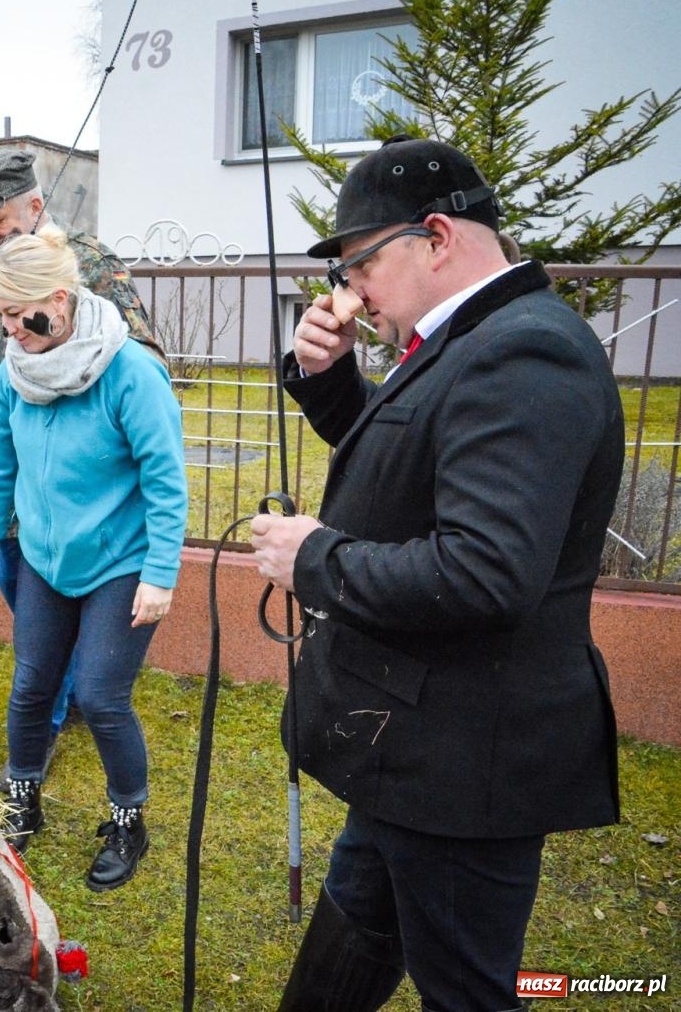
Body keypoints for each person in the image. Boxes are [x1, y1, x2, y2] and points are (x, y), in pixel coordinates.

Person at [250, 136, 623, 1012]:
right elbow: (407, 477)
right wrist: (328, 378)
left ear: (438, 237)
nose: (348, 292)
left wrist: (314, 559)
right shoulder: (467, 337)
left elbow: (487, 571)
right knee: (353, 927)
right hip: (410, 744)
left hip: (467, 761)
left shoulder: (526, 352)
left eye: (359, 264)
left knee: (465, 988)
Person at [0, 226, 185, 891]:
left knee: (99, 695)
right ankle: (22, 794)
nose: (7, 331)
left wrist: (161, 574)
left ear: (58, 301)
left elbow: (167, 481)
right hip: (43, 557)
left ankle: (127, 819)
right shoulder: (17, 368)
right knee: (33, 683)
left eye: (14, 315)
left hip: (120, 561)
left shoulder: (130, 372)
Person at [0, 150, 165, 755]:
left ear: (35, 206)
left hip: (87, 493)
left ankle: (61, 716)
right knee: (30, 619)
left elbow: (140, 359)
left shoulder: (92, 264)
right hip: (17, 484)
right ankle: (57, 707)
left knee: (74, 641)